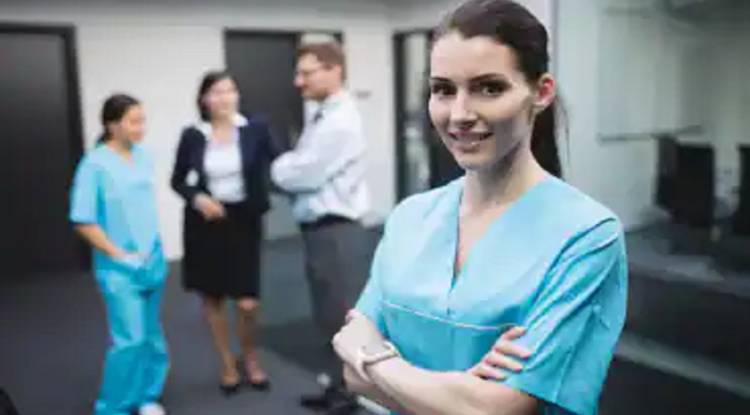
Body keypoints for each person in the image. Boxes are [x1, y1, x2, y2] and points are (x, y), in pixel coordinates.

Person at [332, 1, 628, 415]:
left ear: (540, 92)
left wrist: (374, 359)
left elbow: (494, 410)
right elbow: (349, 376)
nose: (460, 115)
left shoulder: (586, 234)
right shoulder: (411, 216)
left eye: (489, 88)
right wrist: (456, 390)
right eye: (443, 89)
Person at [271, 42, 371, 414]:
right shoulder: (324, 114)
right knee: (327, 315)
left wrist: (278, 167)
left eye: (307, 72)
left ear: (334, 70)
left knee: (342, 316)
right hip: (320, 232)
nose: (299, 82)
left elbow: (302, 173)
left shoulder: (341, 120)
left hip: (337, 233)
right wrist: (291, 165)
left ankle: (352, 396)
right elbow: (300, 166)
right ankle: (337, 387)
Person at [170, 71, 277, 396]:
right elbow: (177, 180)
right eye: (216, 92)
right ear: (204, 99)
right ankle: (227, 363)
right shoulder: (193, 134)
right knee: (213, 297)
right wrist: (198, 198)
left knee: (247, 303)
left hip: (243, 221)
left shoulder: (255, 129)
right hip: (205, 224)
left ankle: (250, 356)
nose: (225, 97)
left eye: (230, 90)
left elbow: (282, 163)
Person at [70, 94, 169, 415]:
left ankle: (145, 397)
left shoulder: (142, 156)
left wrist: (153, 249)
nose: (141, 128)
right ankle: (112, 407)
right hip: (118, 268)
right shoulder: (94, 164)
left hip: (151, 260)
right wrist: (119, 254)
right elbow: (83, 221)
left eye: (143, 120)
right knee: (129, 340)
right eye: (134, 121)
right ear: (113, 125)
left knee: (152, 338)